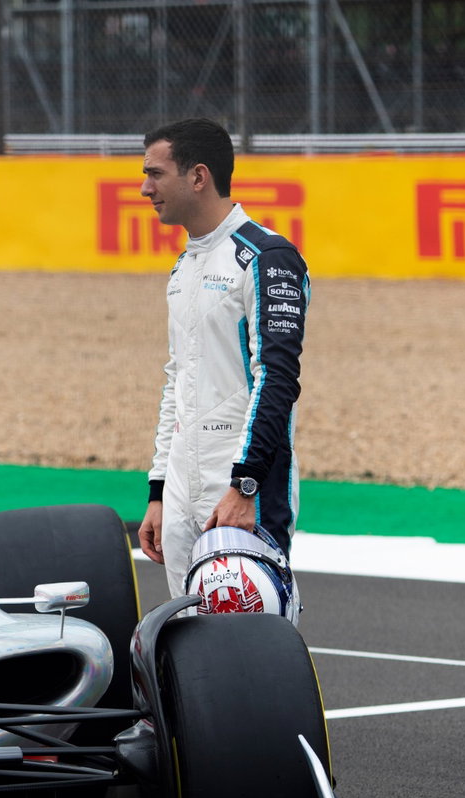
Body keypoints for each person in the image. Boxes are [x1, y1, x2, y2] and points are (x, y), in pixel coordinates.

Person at [136, 118, 309, 598]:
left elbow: (277, 379)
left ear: (198, 176)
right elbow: (177, 380)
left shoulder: (267, 256)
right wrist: (158, 491)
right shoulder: (184, 264)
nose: (144, 188)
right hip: (181, 487)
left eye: (155, 173)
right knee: (188, 645)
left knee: (247, 643)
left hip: (238, 487)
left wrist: (246, 485)